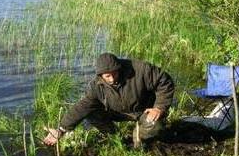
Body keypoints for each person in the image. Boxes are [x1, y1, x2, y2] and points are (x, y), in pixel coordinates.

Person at [43, 52, 175, 148]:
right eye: (107, 76)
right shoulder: (96, 86)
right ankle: (117, 139)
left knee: (153, 125)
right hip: (117, 112)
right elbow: (82, 107)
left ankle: (138, 140)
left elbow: (165, 81)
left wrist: (159, 107)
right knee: (91, 113)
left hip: (143, 110)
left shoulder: (141, 69)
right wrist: (61, 130)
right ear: (100, 75)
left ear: (119, 68)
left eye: (115, 73)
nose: (112, 79)